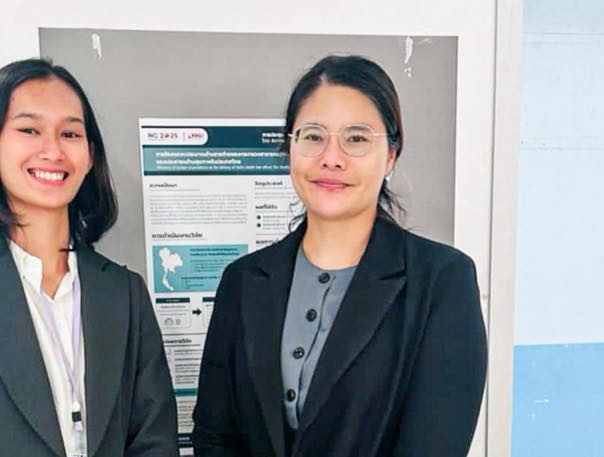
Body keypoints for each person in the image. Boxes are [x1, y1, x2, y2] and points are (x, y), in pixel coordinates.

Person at [192, 55, 487, 457]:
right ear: (290, 147)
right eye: (313, 136)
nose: (331, 157)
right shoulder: (243, 280)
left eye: (357, 138)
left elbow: (435, 444)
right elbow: (214, 436)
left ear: (390, 155)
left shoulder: (441, 281)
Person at [0, 58, 178, 457]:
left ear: (89, 155)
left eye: (70, 133)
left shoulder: (124, 292)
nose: (53, 150)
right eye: (29, 129)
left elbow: (155, 441)